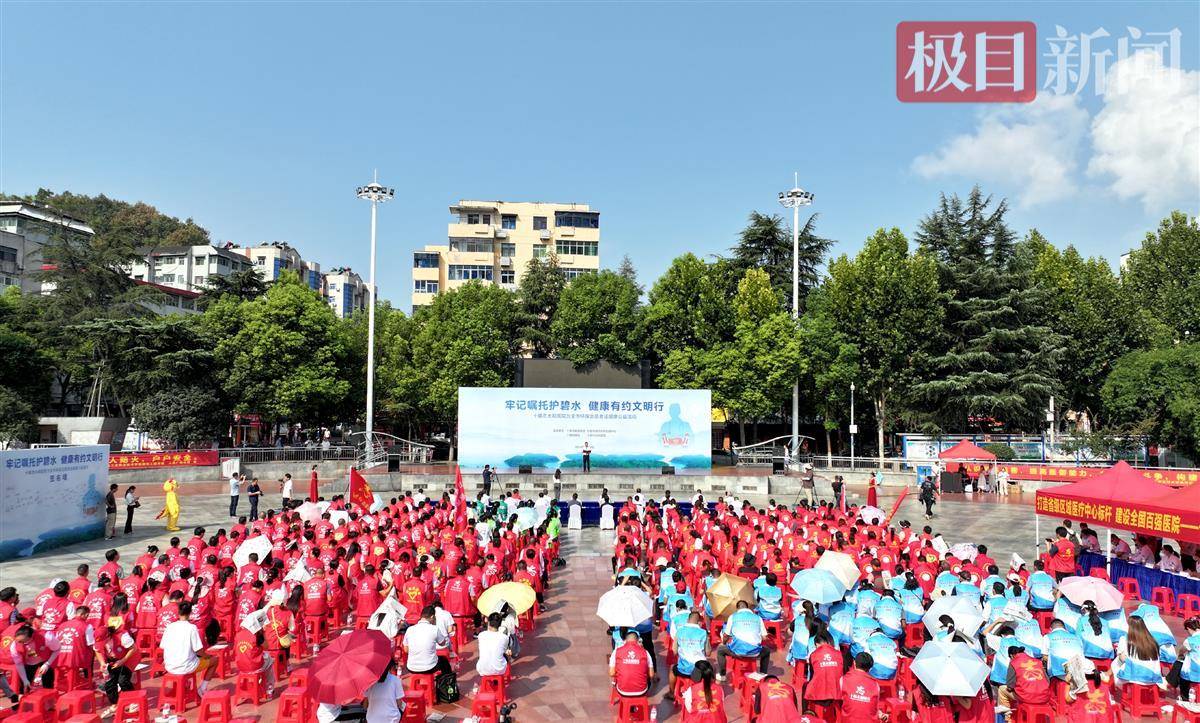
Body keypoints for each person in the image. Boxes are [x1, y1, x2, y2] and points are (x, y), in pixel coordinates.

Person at [160, 601, 212, 696]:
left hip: (169, 666)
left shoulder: (169, 627)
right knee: (214, 660)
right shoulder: (192, 627)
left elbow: (162, 646)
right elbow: (199, 651)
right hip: (186, 666)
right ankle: (202, 688)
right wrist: (207, 656)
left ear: (178, 612)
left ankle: (187, 686)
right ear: (190, 613)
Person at [717, 600, 769, 680]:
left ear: (737, 608)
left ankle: (722, 675)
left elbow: (726, 635)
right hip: (755, 652)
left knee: (720, 650)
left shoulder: (733, 616)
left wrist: (724, 643)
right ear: (747, 607)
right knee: (767, 651)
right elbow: (765, 637)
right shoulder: (758, 618)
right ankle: (763, 674)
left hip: (737, 652)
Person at [996, 646, 1051, 720]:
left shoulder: (1014, 662)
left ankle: (1008, 718)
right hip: (1044, 697)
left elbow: (1009, 685)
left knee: (1002, 689)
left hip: (1027, 698)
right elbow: (1048, 681)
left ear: (1012, 655)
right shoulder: (1037, 661)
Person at [401, 605, 451, 677]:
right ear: (432, 617)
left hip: (411, 667)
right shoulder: (434, 629)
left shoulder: (410, 629)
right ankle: (447, 685)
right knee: (444, 661)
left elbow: (406, 650)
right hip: (429, 667)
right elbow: (442, 643)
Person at [609, 627, 654, 697]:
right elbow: (651, 675)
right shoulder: (645, 652)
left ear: (625, 641)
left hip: (623, 691)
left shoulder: (616, 651)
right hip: (642, 691)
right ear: (638, 641)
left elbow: (612, 673)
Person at [839, 652, 881, 723]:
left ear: (854, 663)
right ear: (870, 669)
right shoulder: (875, 685)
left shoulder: (843, 680)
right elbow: (874, 707)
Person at [476, 612, 511, 677]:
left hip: (483, 669)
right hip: (499, 669)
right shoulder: (504, 637)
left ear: (488, 622)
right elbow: (504, 651)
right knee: (507, 654)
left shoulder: (481, 635)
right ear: (500, 624)